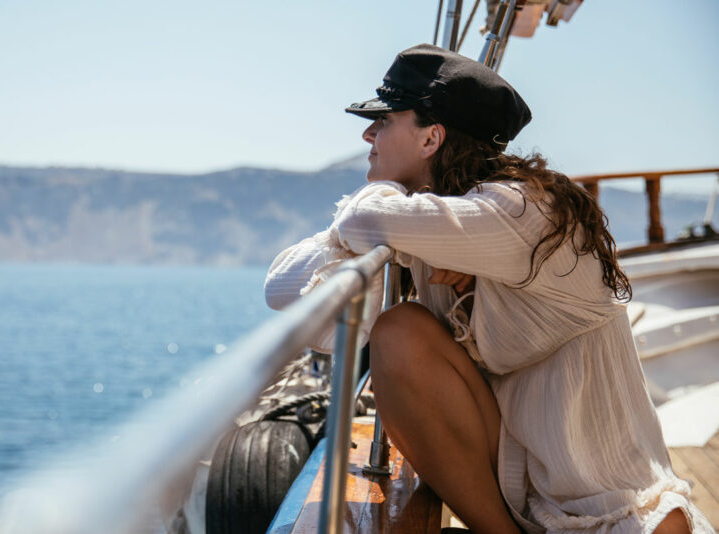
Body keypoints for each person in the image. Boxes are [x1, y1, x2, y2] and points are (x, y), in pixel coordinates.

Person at [263, 44, 713, 534]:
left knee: (399, 328)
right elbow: (284, 293)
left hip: (615, 505)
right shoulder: (437, 229)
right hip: (527, 494)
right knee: (400, 331)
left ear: (432, 137)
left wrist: (376, 213)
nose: (368, 133)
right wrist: (370, 234)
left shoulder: (524, 212)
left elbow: (366, 217)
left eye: (385, 120)